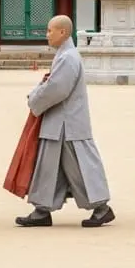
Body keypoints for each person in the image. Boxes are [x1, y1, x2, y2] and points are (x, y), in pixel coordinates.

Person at [11, 15, 115, 228]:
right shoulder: (65, 55)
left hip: (68, 123)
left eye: (50, 30)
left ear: (63, 33)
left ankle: (101, 207)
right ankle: (42, 209)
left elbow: (57, 89)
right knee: (49, 167)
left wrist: (34, 98)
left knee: (79, 167)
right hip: (59, 122)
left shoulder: (68, 57)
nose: (47, 34)